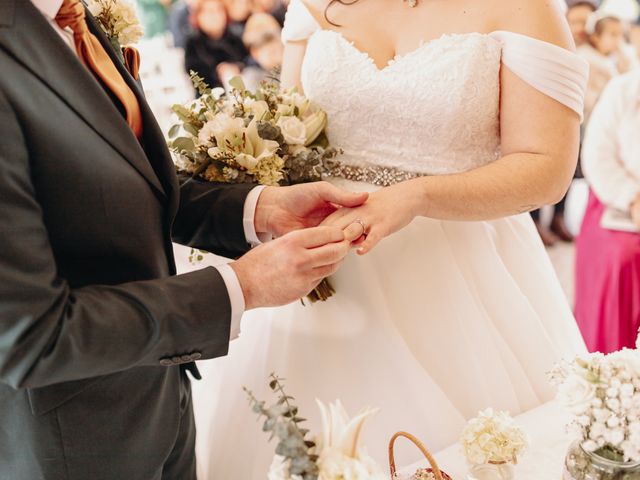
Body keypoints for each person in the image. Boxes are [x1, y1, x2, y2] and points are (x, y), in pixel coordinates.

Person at [194, 0, 588, 478]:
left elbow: (546, 169)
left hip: (461, 280)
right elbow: (288, 134)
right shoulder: (310, 6)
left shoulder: (526, 8)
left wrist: (417, 197)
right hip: (322, 264)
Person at [0, 0, 369, 478]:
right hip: (75, 443)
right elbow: (31, 338)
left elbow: (117, 185)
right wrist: (240, 287)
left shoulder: (70, 14)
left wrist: (259, 208)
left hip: (160, 400)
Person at [576, 70, 640, 354]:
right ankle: (612, 362)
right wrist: (632, 198)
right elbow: (598, 155)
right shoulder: (623, 90)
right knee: (621, 258)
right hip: (618, 198)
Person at [528, 0, 599, 247]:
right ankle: (535, 220)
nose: (580, 27)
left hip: (583, 123)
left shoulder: (598, 53)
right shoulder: (553, 41)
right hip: (549, 118)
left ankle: (558, 218)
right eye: (576, 20)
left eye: (586, 22)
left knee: (569, 174)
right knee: (540, 170)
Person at [184, 0, 249, 90]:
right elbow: (194, 75)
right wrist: (217, 72)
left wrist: (237, 67)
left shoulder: (236, 37)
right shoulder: (193, 43)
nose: (214, 16)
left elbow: (248, 62)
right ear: (198, 16)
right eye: (209, 11)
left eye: (219, 10)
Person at [241, 12, 283, 89]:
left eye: (279, 50)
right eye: (271, 53)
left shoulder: (285, 66)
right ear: (255, 52)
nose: (277, 56)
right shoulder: (252, 75)